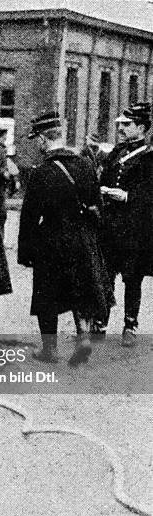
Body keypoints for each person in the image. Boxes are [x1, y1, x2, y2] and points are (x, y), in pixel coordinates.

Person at [18, 112, 110, 364]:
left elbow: (29, 218)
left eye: (36, 138)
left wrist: (25, 252)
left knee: (47, 295)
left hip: (51, 240)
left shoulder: (41, 172)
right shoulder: (85, 165)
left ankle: (50, 350)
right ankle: (84, 340)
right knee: (82, 290)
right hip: (82, 239)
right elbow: (98, 207)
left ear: (44, 139)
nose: (35, 143)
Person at [95, 102, 153, 346]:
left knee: (132, 278)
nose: (122, 129)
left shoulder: (150, 155)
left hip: (134, 229)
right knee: (105, 275)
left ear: (141, 127)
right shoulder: (117, 152)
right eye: (121, 124)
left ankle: (130, 324)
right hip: (110, 226)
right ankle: (100, 322)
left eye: (127, 125)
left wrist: (127, 196)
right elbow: (105, 176)